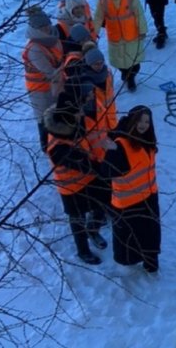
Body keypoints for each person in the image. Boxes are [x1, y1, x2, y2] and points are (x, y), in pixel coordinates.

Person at [44, 85, 109, 264]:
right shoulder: (58, 146)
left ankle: (93, 229)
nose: (81, 114)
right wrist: (108, 169)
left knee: (101, 204)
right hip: (71, 187)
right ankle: (83, 251)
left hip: (91, 178)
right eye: (77, 112)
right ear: (68, 117)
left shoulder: (73, 124)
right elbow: (84, 164)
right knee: (77, 219)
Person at [101, 105, 161, 273]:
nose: (143, 125)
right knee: (131, 238)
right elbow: (106, 172)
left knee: (151, 234)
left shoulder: (147, 140)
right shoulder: (120, 145)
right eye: (140, 121)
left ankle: (151, 262)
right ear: (132, 121)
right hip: (128, 203)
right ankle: (131, 265)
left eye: (147, 121)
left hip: (149, 196)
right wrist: (112, 154)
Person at [93, 0, 147, 91]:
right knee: (120, 62)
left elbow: (139, 13)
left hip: (131, 34)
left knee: (134, 62)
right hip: (115, 36)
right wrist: (93, 34)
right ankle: (127, 76)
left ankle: (131, 77)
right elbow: (98, 18)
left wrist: (142, 29)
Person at [22, 6, 63, 151]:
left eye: (47, 25)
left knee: (55, 112)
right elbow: (50, 71)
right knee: (43, 117)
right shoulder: (34, 48)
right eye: (42, 27)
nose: (46, 29)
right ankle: (46, 145)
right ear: (35, 28)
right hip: (39, 89)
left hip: (54, 84)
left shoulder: (53, 39)